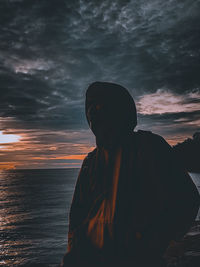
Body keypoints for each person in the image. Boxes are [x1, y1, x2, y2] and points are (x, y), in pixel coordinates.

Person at [61, 82, 200, 267]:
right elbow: (77, 220)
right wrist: (71, 257)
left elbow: (187, 199)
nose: (93, 110)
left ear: (120, 108)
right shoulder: (90, 162)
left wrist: (159, 241)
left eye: (100, 104)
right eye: (90, 105)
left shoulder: (150, 147)